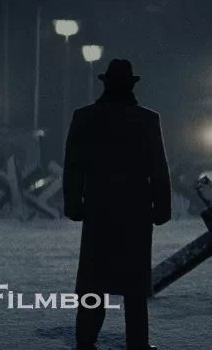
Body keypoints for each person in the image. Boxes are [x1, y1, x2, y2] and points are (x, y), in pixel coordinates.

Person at [63, 59, 172, 350]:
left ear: (105, 84)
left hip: (99, 208)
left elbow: (73, 166)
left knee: (93, 281)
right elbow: (158, 167)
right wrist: (162, 207)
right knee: (134, 285)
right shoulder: (147, 119)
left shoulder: (85, 117)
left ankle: (86, 341)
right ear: (131, 86)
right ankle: (137, 344)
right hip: (135, 209)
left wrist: (73, 203)